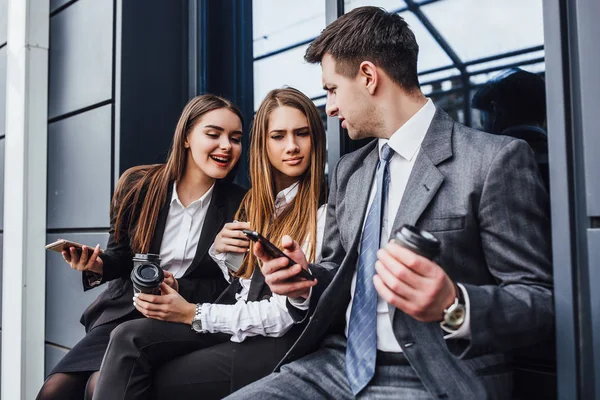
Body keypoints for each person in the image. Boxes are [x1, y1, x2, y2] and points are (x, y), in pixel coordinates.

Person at [227, 7, 553, 400]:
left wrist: (454, 304)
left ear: (368, 76)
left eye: (331, 89)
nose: (329, 107)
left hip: (434, 374)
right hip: (334, 366)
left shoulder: (493, 160)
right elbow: (333, 270)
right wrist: (302, 282)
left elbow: (538, 300)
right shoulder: (350, 170)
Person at [91, 87, 328, 400]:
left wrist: (193, 313)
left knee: (131, 366)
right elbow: (239, 284)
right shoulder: (256, 205)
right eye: (278, 136)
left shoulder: (323, 210)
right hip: (233, 325)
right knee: (127, 339)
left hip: (271, 343)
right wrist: (220, 252)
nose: (292, 147)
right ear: (262, 144)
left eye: (302, 134)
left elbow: (284, 313)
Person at [36, 94, 247, 400]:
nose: (227, 146)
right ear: (186, 137)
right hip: (127, 311)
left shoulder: (241, 204)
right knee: (54, 390)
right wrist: (97, 265)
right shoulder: (138, 186)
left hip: (184, 318)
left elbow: (233, 286)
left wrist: (181, 287)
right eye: (213, 134)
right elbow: (121, 255)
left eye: (236, 138)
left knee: (100, 385)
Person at [471, 67, 549, 189]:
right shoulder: (567, 153)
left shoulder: (487, 167)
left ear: (495, 110)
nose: (482, 123)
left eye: (483, 115)